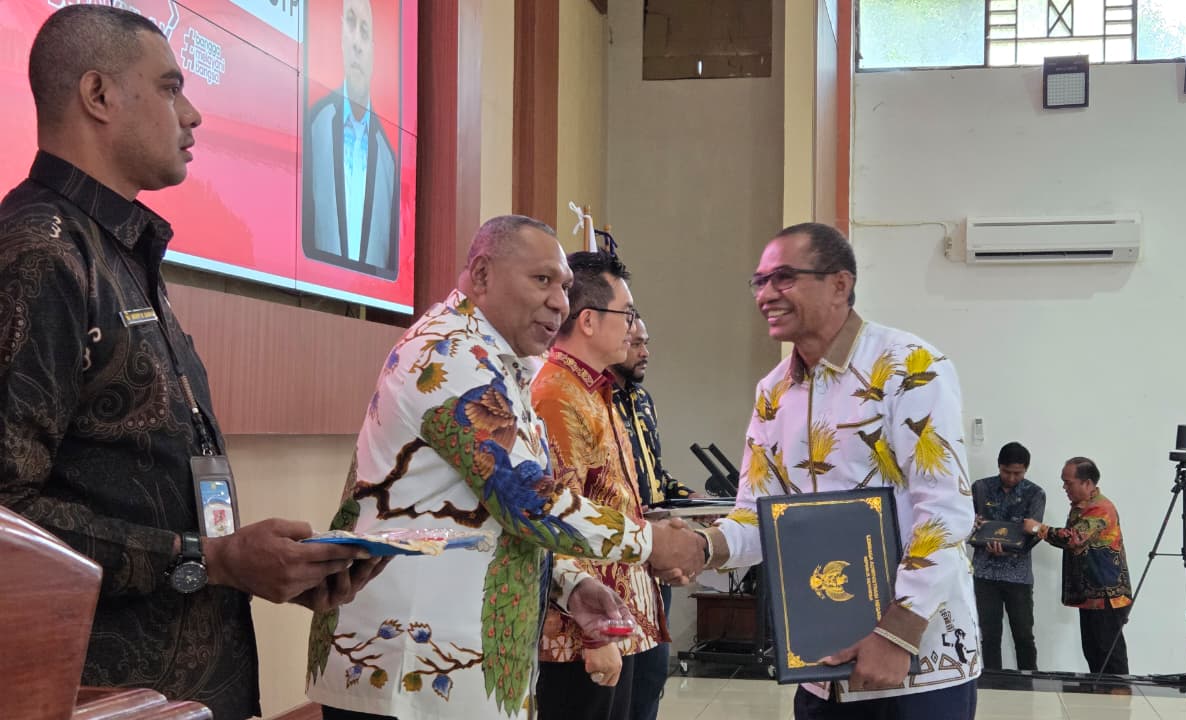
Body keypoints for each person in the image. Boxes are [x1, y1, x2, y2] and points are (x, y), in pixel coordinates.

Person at [0, 7, 386, 719]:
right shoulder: (40, 254)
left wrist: (262, 568)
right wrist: (212, 558)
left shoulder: (121, 251)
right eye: (171, 87)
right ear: (98, 95)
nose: (194, 113)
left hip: (190, 691)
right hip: (98, 694)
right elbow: (6, 518)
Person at [305, 218, 705, 720]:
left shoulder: (503, 362)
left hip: (456, 667)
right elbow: (526, 498)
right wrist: (650, 543)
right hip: (406, 666)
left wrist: (569, 585)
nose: (560, 302)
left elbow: (496, 513)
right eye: (542, 280)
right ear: (482, 274)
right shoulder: (449, 352)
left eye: (564, 287)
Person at [690, 223, 980, 719]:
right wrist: (702, 546)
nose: (766, 294)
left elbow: (945, 509)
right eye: (759, 281)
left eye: (783, 277)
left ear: (840, 284)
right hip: (821, 667)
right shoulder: (773, 392)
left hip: (918, 667)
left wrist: (898, 632)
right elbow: (758, 517)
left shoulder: (910, 366)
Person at [531, 252, 667, 719]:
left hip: (612, 619)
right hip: (578, 636)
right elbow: (557, 518)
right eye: (626, 314)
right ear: (588, 321)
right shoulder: (556, 394)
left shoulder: (595, 390)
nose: (633, 327)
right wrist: (594, 635)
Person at [609, 317, 696, 720]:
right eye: (636, 343)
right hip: (617, 554)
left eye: (646, 342)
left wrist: (692, 499)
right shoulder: (595, 400)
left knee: (652, 673)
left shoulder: (642, 401)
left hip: (654, 558)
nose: (645, 352)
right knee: (620, 679)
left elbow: (653, 476)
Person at [301, 0, 399, 278]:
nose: (357, 42)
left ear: (374, 52)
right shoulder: (313, 127)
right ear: (341, 34)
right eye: (351, 24)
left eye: (365, 31)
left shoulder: (388, 161)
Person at [1024, 457, 1132, 675]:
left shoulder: (1101, 508)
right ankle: (1100, 693)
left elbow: (1074, 538)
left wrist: (1038, 529)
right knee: (1093, 652)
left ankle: (1119, 695)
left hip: (1107, 596)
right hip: (1091, 596)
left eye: (1068, 482)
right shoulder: (1081, 507)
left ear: (1087, 483)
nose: (1064, 487)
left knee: (1109, 655)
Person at [972, 441, 1045, 671]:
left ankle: (1030, 681)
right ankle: (993, 682)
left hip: (1018, 576)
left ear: (1026, 470)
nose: (1012, 478)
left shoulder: (1035, 493)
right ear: (999, 466)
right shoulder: (980, 488)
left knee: (1024, 636)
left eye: (1018, 473)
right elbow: (965, 524)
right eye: (1006, 472)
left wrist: (1011, 549)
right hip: (984, 574)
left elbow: (1036, 533)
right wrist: (972, 525)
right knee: (989, 636)